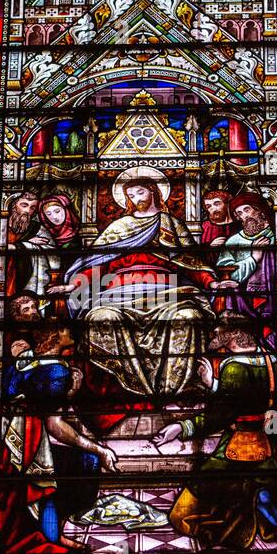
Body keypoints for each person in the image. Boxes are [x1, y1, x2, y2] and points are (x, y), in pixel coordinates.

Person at [47, 167, 218, 401]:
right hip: (118, 294)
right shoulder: (120, 227)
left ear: (153, 191)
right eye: (131, 196)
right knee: (100, 318)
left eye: (140, 193)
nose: (136, 199)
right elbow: (98, 264)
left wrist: (212, 282)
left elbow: (191, 262)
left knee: (189, 317)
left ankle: (171, 392)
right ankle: (128, 391)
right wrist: (73, 285)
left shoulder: (171, 223)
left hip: (169, 293)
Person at [157, 317, 277, 550]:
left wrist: (181, 428)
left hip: (234, 452)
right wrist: (214, 385)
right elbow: (246, 398)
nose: (214, 331)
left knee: (180, 516)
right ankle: (260, 506)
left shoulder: (234, 366)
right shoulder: (269, 358)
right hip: (266, 448)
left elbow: (221, 415)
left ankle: (243, 524)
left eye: (220, 327)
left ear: (235, 333)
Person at [0, 326, 117, 553]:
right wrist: (100, 450)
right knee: (82, 464)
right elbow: (54, 424)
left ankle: (55, 535)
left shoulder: (25, 363)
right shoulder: (57, 373)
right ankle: (50, 539)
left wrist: (68, 395)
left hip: (15, 441)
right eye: (63, 328)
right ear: (53, 336)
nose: (70, 330)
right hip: (31, 446)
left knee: (71, 468)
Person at [212, 190, 277, 334]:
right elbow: (226, 275)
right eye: (239, 213)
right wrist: (253, 258)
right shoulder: (233, 241)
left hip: (275, 294)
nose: (244, 216)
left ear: (259, 210)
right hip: (242, 300)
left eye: (247, 210)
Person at [16, 193, 81, 299]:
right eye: (48, 214)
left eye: (57, 211)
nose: (54, 217)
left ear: (66, 209)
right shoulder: (45, 233)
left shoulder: (81, 235)